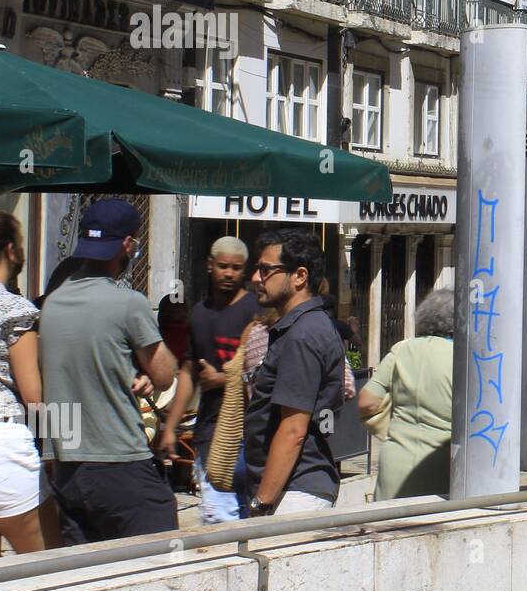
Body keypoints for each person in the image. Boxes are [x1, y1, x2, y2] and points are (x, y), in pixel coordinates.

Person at [39, 200, 178, 544]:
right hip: (119, 462)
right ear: (128, 245)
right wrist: (148, 367)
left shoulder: (51, 305)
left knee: (85, 580)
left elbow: (54, 381)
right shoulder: (128, 302)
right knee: (162, 565)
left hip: (65, 466)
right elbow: (163, 376)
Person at [243, 230, 346, 517]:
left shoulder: (303, 335)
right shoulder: (303, 328)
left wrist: (262, 503)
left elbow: (293, 431)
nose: (255, 279)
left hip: (293, 494)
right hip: (293, 489)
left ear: (299, 276)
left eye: (265, 270)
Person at [160, 236, 259, 524]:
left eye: (236, 268)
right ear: (209, 266)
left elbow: (267, 373)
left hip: (248, 431)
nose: (229, 273)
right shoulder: (199, 314)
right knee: (219, 517)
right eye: (223, 266)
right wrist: (170, 428)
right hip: (211, 431)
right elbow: (189, 370)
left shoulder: (256, 310)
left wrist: (226, 378)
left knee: (247, 516)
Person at [0, 210, 45, 558]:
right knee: (45, 566)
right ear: (9, 250)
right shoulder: (14, 309)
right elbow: (34, 397)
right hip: (2, 443)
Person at [359, 290, 455, 500]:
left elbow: (367, 402)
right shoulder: (464, 357)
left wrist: (388, 427)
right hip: (442, 464)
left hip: (395, 462)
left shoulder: (401, 349)